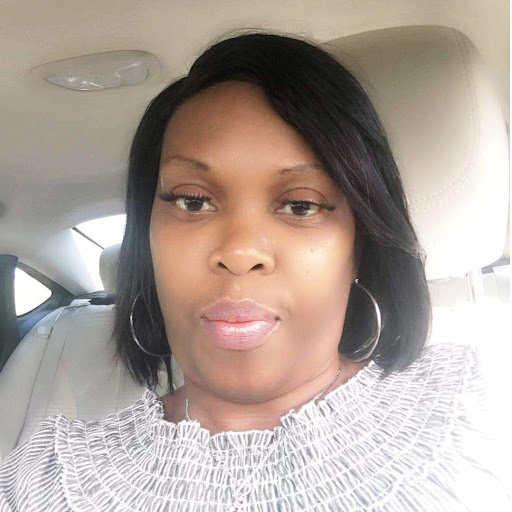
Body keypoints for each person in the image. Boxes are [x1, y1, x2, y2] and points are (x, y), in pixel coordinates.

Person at [0, 30, 510, 511]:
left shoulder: (486, 410)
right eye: (193, 201)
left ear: (361, 243)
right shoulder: (46, 479)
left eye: (301, 205)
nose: (240, 252)